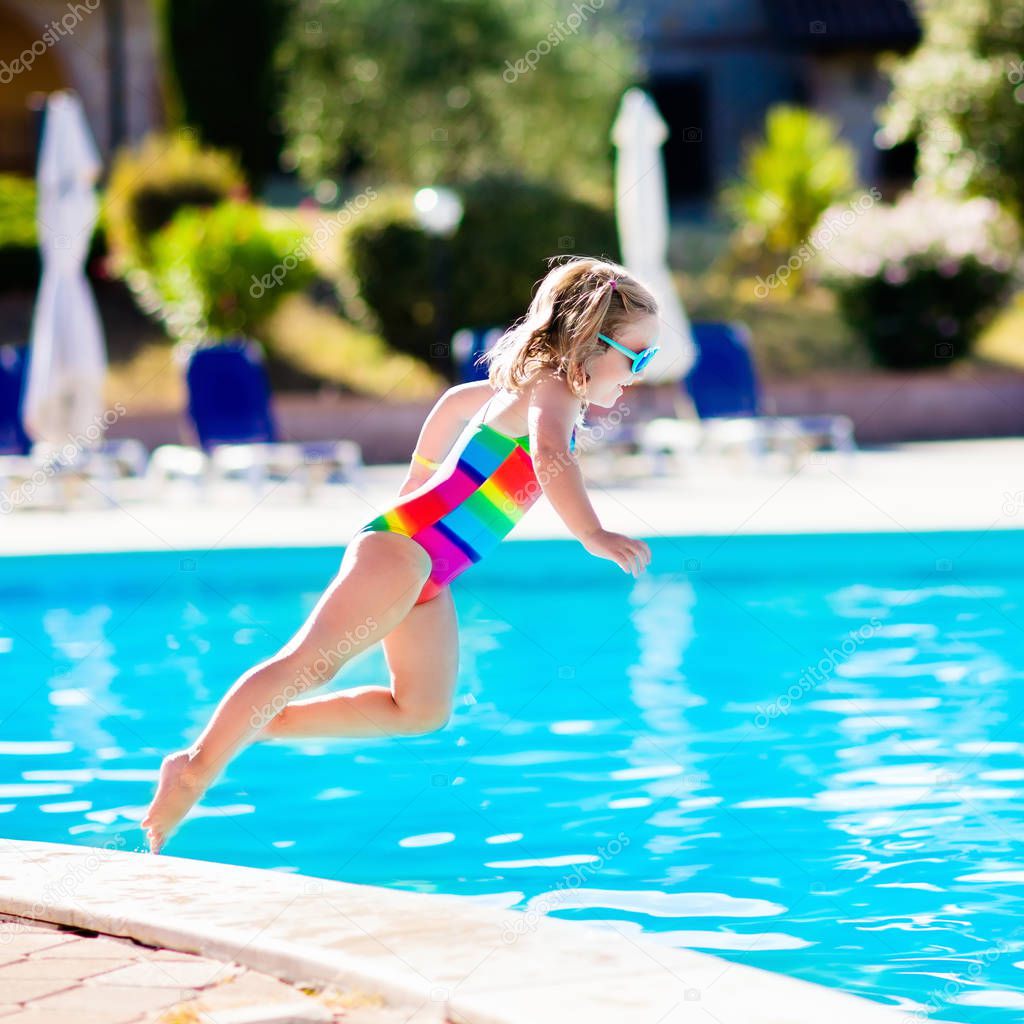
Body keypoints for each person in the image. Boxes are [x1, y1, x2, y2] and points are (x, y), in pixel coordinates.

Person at [142, 255, 658, 853]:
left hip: (429, 570)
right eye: (636, 357)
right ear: (587, 343)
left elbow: (454, 405)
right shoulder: (553, 392)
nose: (639, 374)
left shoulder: (525, 389)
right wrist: (592, 533)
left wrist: (418, 479)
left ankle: (260, 724)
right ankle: (196, 765)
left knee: (420, 709)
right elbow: (547, 455)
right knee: (311, 663)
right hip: (406, 550)